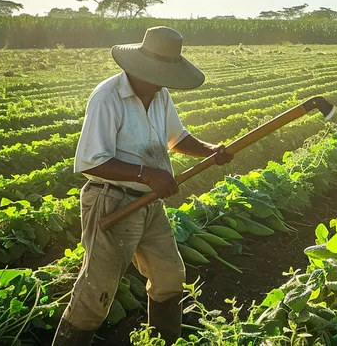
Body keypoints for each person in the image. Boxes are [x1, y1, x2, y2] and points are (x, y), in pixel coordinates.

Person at [53, 26, 233, 345]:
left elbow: (177, 138)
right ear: (140, 68)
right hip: (112, 202)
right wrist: (145, 174)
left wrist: (210, 150)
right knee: (97, 294)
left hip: (149, 204)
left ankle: (162, 341)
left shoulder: (160, 95)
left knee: (170, 278)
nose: (165, 80)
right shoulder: (108, 97)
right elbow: (90, 161)